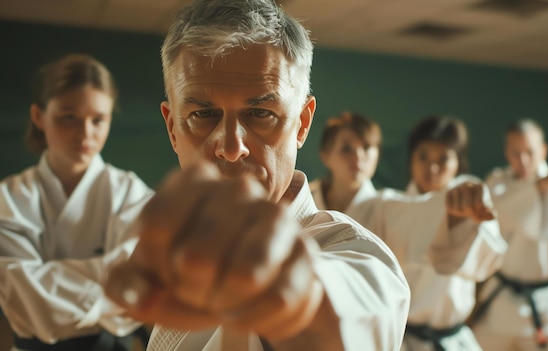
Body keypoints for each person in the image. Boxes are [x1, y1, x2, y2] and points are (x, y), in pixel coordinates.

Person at [103, 0, 411, 350]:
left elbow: (344, 309)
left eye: (260, 113)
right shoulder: (183, 253)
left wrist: (289, 293)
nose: (231, 147)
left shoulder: (355, 255)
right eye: (203, 115)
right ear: (173, 129)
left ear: (302, 124)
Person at [0, 54, 154, 350]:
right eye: (68, 117)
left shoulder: (131, 193)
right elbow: (24, 302)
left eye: (98, 120)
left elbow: (143, 285)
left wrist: (45, 278)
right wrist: (109, 282)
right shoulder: (8, 198)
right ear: (38, 116)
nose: (85, 134)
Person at [349, 115, 507, 351]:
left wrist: (461, 220)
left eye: (443, 158)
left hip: (453, 340)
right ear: (411, 158)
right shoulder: (389, 207)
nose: (432, 168)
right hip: (402, 339)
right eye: (423, 156)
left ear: (458, 163)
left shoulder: (473, 202)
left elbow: (487, 262)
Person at [471, 119, 548, 351]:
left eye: (530, 152)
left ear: (544, 150)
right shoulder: (497, 182)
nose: (523, 160)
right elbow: (502, 213)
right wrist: (537, 189)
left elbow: (545, 230)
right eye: (515, 153)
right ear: (506, 152)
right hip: (504, 298)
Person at [309, 111, 381, 214]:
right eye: (347, 149)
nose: (358, 157)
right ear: (325, 155)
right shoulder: (299, 200)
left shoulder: (387, 208)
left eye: (366, 147)